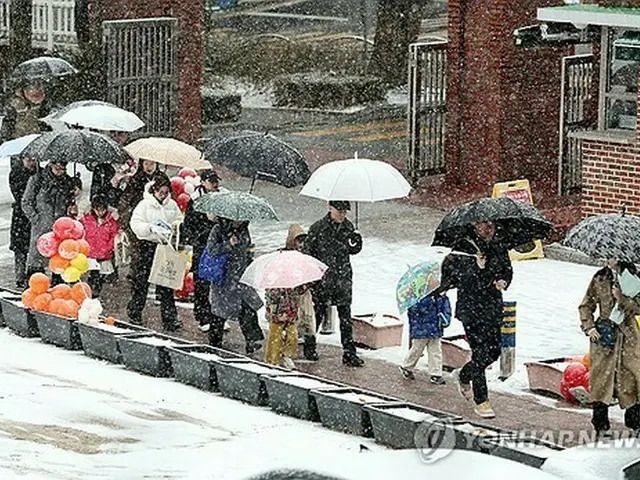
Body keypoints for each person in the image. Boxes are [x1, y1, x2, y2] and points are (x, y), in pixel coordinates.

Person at [440, 220, 513, 419]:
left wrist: (503, 281)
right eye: (484, 224)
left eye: (491, 224)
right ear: (474, 226)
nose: (488, 227)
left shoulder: (498, 246)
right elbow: (451, 280)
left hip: (492, 307)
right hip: (471, 310)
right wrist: (476, 268)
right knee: (480, 352)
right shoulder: (463, 249)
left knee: (494, 352)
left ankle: (464, 374)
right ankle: (482, 401)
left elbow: (507, 270)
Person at [579, 259, 640, 438]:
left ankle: (635, 423)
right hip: (604, 336)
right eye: (607, 256)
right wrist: (589, 327)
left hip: (628, 336)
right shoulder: (599, 277)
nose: (609, 260)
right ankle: (600, 425)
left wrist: (622, 299)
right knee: (601, 382)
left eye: (613, 257)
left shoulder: (633, 278)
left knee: (632, 378)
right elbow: (586, 305)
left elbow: (638, 307)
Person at [303, 201, 364, 367]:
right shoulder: (318, 228)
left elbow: (352, 250)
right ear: (330, 208)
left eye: (344, 211)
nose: (342, 215)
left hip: (342, 277)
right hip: (323, 279)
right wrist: (314, 275)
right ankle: (309, 347)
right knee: (317, 314)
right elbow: (308, 252)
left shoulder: (348, 227)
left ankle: (349, 353)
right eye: (339, 211)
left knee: (345, 317)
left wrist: (357, 242)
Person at [127, 173, 183, 330]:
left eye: (166, 192)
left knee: (166, 283)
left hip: (165, 246)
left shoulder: (172, 205)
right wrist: (149, 228)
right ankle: (135, 312)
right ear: (154, 191)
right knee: (142, 282)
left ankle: (169, 318)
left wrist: (175, 227)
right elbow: (135, 223)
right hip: (147, 245)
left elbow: (179, 219)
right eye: (161, 192)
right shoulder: (144, 205)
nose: (163, 195)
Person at [207, 217, 264, 353]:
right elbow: (211, 250)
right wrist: (228, 244)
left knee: (247, 307)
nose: (239, 221)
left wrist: (250, 256)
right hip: (224, 277)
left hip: (241, 276)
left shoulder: (244, 230)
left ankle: (251, 340)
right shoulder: (218, 229)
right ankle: (215, 342)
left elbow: (247, 248)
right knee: (220, 312)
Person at [21, 159, 75, 280]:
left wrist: (71, 207)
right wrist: (36, 219)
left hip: (60, 228)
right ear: (51, 164)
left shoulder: (68, 181)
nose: (60, 172)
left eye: (63, 169)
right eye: (58, 168)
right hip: (41, 226)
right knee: (37, 262)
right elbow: (26, 202)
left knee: (59, 261)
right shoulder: (37, 179)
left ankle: (59, 289)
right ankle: (35, 291)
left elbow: (70, 202)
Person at [181, 169, 221, 332]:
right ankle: (202, 316)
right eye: (211, 181)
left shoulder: (222, 198)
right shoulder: (195, 201)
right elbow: (189, 225)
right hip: (202, 246)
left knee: (218, 282)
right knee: (202, 283)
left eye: (216, 181)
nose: (214, 184)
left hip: (218, 247)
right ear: (203, 182)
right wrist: (206, 222)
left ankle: (217, 316)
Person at [399, 292, 451, 385]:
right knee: (417, 349)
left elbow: (447, 310)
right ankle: (407, 366)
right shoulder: (417, 297)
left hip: (435, 328)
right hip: (421, 328)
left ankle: (436, 373)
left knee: (436, 351)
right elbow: (415, 310)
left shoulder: (442, 297)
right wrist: (428, 302)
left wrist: (445, 319)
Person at [117, 159, 159, 272]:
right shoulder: (136, 179)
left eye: (152, 163)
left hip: (157, 221)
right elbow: (125, 201)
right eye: (146, 163)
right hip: (138, 219)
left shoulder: (161, 179)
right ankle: (137, 277)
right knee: (139, 254)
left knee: (156, 253)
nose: (149, 167)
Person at [283, 224, 317, 359]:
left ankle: (310, 350)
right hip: (291, 296)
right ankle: (288, 350)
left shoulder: (305, 255)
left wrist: (309, 283)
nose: (301, 244)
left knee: (309, 322)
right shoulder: (284, 256)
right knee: (293, 324)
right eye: (298, 240)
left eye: (302, 241)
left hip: (305, 294)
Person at [80, 195, 119, 298]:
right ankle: (89, 295)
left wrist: (108, 248)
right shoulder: (86, 220)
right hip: (91, 253)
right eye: (98, 210)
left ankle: (94, 295)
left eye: (103, 210)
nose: (101, 212)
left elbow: (114, 236)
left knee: (99, 277)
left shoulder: (111, 221)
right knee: (93, 275)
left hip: (104, 254)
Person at [9, 155, 39, 289]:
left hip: (35, 214)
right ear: (22, 160)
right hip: (21, 216)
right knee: (20, 248)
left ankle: (33, 275)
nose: (32, 162)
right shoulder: (16, 173)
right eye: (29, 159)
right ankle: (20, 278)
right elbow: (19, 193)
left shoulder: (39, 173)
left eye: (34, 159)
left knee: (34, 247)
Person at [264, 287, 300, 370]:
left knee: (293, 336)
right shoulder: (274, 285)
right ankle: (272, 361)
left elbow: (298, 294)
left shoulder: (293, 285)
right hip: (278, 315)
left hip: (291, 315)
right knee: (275, 338)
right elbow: (271, 300)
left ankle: (286, 355)